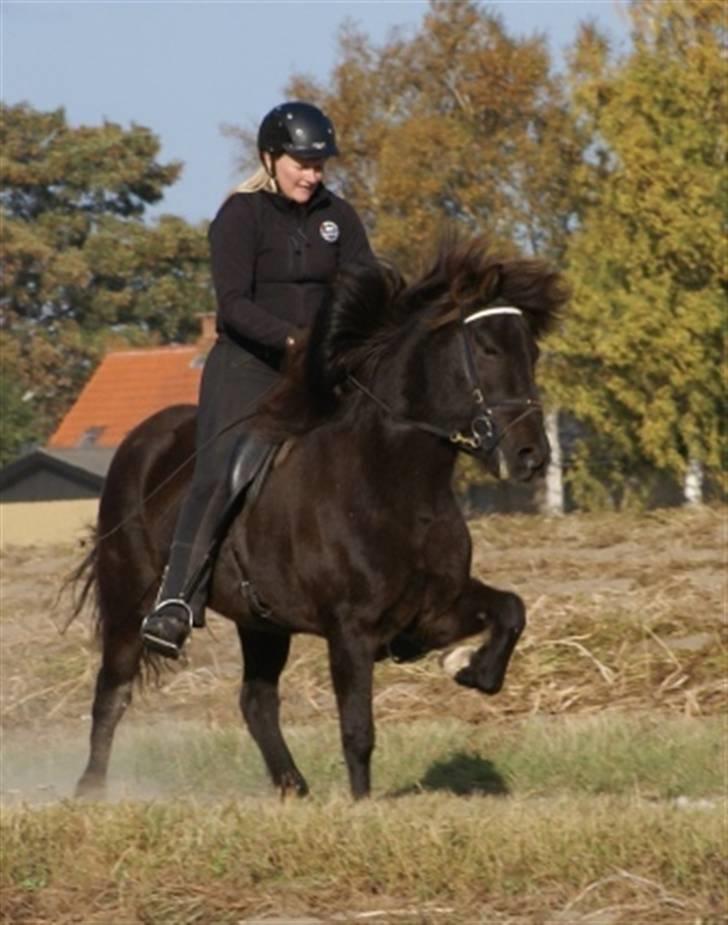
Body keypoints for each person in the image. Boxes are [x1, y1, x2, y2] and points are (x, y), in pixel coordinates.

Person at [141, 101, 375, 658]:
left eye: (319, 165)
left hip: (318, 367)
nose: (312, 174)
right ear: (270, 158)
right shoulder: (240, 217)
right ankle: (176, 599)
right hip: (249, 367)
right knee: (222, 469)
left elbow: (364, 283)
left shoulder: (338, 218)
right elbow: (233, 307)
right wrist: (293, 339)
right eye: (302, 163)